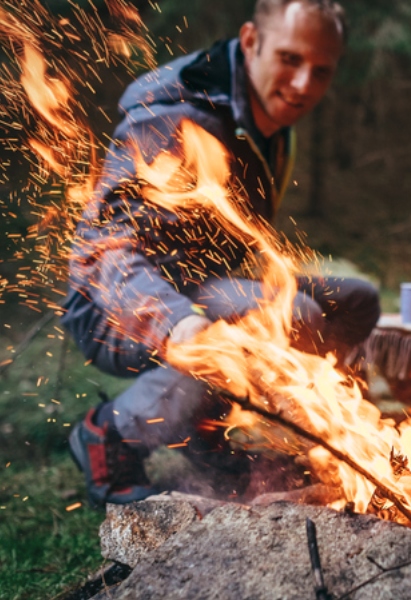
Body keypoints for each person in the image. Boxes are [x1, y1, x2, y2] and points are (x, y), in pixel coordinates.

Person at [62, 0, 380, 507]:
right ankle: (109, 435)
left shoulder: (267, 117)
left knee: (356, 301)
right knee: (290, 314)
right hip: (117, 304)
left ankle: (222, 427)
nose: (303, 85)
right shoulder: (179, 114)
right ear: (251, 41)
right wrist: (174, 322)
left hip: (196, 285)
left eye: (322, 71)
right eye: (290, 59)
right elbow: (104, 251)